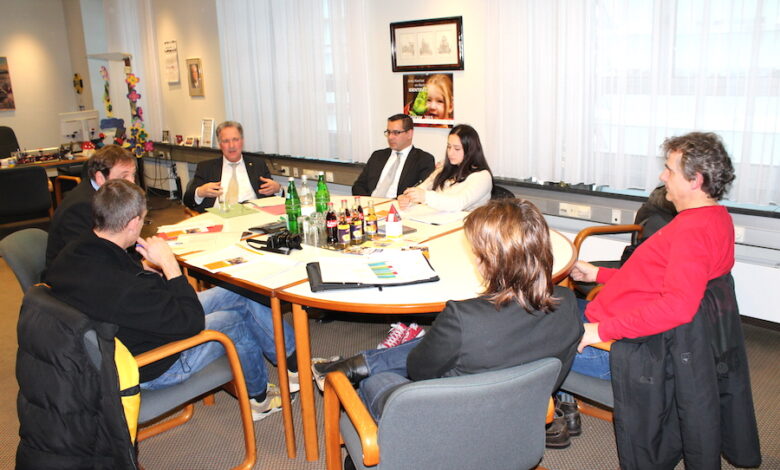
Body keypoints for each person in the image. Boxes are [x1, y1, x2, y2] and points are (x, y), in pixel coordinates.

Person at [311, 199, 583, 424]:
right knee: (441, 344)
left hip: (449, 423)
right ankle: (356, 365)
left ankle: (359, 381)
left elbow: (418, 371)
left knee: (378, 381)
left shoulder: (464, 318)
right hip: (520, 418)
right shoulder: (568, 303)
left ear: (490, 262)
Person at [46, 180, 298, 421]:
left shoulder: (75, 249)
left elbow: (125, 288)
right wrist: (170, 267)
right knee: (233, 322)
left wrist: (143, 267)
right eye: (144, 220)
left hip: (135, 329)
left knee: (238, 293)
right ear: (133, 223)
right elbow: (189, 323)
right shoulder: (127, 289)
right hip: (155, 363)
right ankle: (260, 400)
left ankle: (291, 362)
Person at [569, 131, 736, 380]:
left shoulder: (693, 232)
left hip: (616, 348)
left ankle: (553, 403)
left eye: (669, 170)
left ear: (694, 181)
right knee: (548, 309)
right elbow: (655, 280)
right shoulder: (716, 219)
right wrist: (598, 273)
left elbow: (677, 307)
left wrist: (601, 331)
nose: (662, 176)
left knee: (522, 338)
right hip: (615, 322)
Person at [46, 144, 137, 267]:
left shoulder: (103, 196)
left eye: (133, 175)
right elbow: (91, 259)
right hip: (74, 276)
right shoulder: (81, 207)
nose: (132, 182)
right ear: (100, 178)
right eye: (124, 176)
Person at [183, 121, 281, 213]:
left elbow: (273, 195)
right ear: (220, 145)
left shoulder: (258, 165)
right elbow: (188, 200)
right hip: (219, 217)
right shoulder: (206, 167)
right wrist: (200, 192)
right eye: (226, 141)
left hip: (253, 216)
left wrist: (278, 189)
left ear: (242, 141)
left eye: (235, 139)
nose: (231, 145)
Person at [399, 124, 493, 212]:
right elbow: (423, 188)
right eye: (449, 147)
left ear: (470, 150)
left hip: (466, 225)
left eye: (457, 149)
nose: (450, 153)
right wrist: (408, 198)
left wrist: (425, 197)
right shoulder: (444, 169)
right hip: (439, 220)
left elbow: (459, 203)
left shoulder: (482, 176)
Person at [351, 114, 435, 198]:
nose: (390, 137)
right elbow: (358, 186)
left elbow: (419, 193)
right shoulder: (377, 156)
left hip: (398, 207)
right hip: (371, 205)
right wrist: (369, 203)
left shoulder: (424, 160)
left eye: (396, 133)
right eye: (388, 132)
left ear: (409, 134)